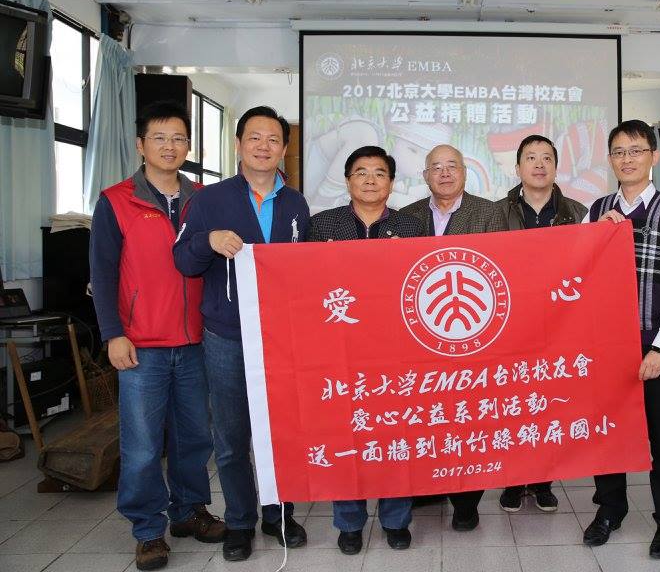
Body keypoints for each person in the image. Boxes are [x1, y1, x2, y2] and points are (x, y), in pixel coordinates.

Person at [90, 101, 225, 571]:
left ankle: (189, 510)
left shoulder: (203, 198)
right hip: (140, 344)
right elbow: (103, 273)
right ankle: (148, 529)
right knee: (143, 445)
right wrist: (113, 333)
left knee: (194, 437)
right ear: (141, 144)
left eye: (179, 138)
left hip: (196, 342)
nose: (170, 147)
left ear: (189, 146)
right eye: (160, 138)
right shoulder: (116, 200)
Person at [173, 106, 310, 562]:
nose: (263, 146)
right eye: (254, 137)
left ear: (284, 149)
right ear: (238, 144)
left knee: (281, 433)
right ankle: (239, 521)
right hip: (227, 336)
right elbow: (183, 260)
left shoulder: (296, 204)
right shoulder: (209, 200)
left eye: (273, 139)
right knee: (231, 438)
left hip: (283, 338)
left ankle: (279, 514)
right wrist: (207, 241)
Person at [582, 120, 660, 558]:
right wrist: (595, 235)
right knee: (607, 432)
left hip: (655, 344)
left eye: (635, 150)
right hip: (605, 346)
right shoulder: (596, 210)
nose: (626, 159)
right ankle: (610, 508)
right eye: (618, 152)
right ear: (609, 159)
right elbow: (577, 273)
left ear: (654, 156)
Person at [306, 145, 424, 555]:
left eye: (379, 173)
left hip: (395, 351)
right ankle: (349, 522)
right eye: (361, 172)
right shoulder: (322, 225)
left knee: (394, 433)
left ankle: (395, 520)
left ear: (391, 182)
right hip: (338, 349)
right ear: (347, 180)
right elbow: (303, 286)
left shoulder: (411, 227)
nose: (370, 180)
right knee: (346, 434)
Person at [400, 143, 506, 531]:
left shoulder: (488, 213)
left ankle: (466, 501)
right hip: (420, 336)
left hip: (473, 336)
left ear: (464, 172)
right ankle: (430, 486)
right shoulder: (408, 216)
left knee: (468, 419)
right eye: (436, 167)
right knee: (427, 417)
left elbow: (503, 268)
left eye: (452, 166)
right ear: (425, 175)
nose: (445, 173)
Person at [494, 134, 586, 513]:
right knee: (513, 404)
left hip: (559, 324)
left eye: (546, 157)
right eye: (530, 157)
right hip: (510, 324)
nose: (539, 164)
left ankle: (544, 480)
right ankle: (514, 480)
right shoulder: (496, 213)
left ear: (556, 166)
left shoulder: (578, 212)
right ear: (518, 167)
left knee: (549, 404)